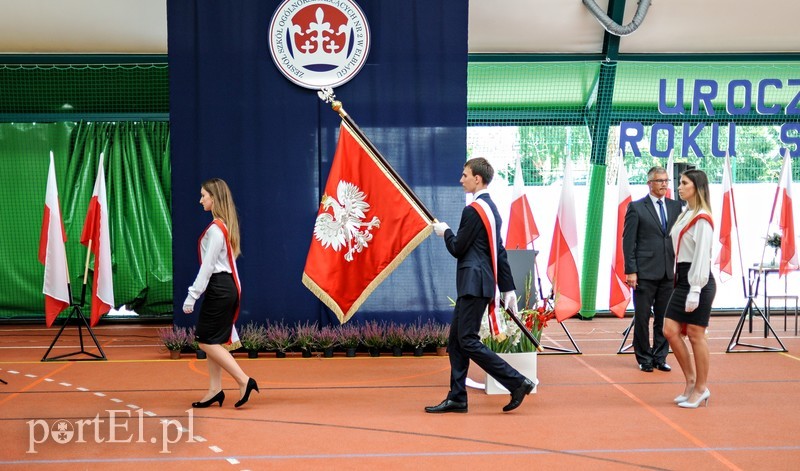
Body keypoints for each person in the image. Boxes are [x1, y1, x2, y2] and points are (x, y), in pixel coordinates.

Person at [426, 157, 534, 414]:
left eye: (465, 175)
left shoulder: (473, 210)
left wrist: (446, 232)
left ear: (477, 178)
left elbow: (457, 248)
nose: (461, 179)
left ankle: (517, 382)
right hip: (479, 283)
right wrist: (507, 288)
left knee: (467, 340)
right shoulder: (491, 209)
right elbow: (499, 252)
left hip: (473, 284)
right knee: (455, 342)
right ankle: (457, 397)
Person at [183, 178, 259, 409]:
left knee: (205, 342)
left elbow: (207, 267)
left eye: (204, 195)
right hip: (223, 287)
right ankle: (215, 389)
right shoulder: (222, 226)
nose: (200, 200)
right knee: (212, 340)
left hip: (219, 287)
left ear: (214, 198)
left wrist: (192, 295)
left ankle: (243, 380)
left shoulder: (216, 230)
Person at [663, 169, 716, 408]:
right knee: (670, 330)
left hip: (698, 281)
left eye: (684, 183)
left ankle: (701, 388)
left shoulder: (702, 218)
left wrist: (696, 288)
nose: (679, 187)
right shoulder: (687, 213)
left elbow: (702, 256)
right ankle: (691, 380)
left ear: (697, 186)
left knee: (695, 334)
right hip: (682, 279)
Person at [622, 166, 682, 373]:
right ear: (650, 183)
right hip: (644, 272)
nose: (664, 184)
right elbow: (628, 242)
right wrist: (631, 270)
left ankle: (660, 356)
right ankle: (644, 358)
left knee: (664, 317)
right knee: (642, 317)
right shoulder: (637, 207)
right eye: (659, 181)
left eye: (666, 180)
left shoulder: (676, 206)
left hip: (668, 271)